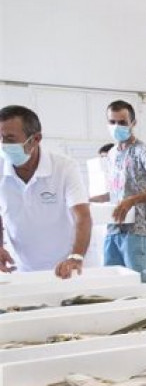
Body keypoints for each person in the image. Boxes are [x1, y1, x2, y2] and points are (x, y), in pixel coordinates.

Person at [0, 105, 91, 278]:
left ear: (35, 139)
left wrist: (76, 256)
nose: (3, 145)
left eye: (10, 139)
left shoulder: (64, 167)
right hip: (22, 268)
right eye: (0, 138)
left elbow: (83, 216)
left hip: (67, 267)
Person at [89, 100, 146, 281]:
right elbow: (117, 191)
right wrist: (89, 200)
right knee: (112, 281)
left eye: (122, 122)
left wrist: (132, 200)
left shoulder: (143, 151)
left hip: (137, 229)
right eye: (112, 122)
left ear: (133, 124)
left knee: (138, 283)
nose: (117, 126)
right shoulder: (112, 154)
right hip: (114, 228)